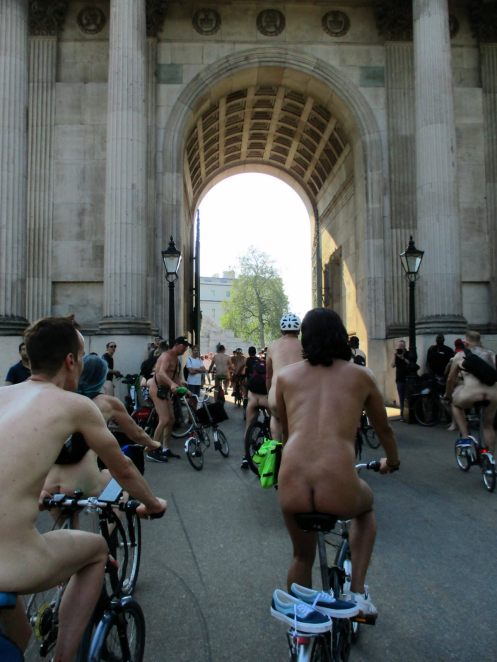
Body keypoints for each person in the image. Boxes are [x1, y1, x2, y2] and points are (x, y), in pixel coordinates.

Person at [0, 317, 166, 660]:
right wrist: (152, 503)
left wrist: (33, 491)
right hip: (10, 559)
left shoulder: (3, 395)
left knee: (22, 635)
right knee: (97, 551)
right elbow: (122, 467)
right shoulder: (76, 405)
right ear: (70, 361)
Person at [274, 308, 400, 616]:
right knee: (365, 509)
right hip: (337, 481)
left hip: (291, 479)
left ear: (305, 338)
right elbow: (383, 428)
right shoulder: (361, 376)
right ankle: (357, 593)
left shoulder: (285, 377)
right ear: (341, 336)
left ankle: (301, 627)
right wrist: (392, 460)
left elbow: (286, 429)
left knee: (301, 557)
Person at [43, 354, 161, 497]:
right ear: (101, 378)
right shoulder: (108, 403)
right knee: (122, 479)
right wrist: (153, 443)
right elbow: (136, 434)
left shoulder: (60, 398)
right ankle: (123, 511)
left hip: (47, 483)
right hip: (83, 483)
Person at [445, 330, 497, 456]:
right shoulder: (491, 354)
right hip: (493, 394)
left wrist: (448, 394)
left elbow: (450, 379)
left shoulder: (460, 355)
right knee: (488, 426)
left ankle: (465, 437)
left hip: (471, 393)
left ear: (466, 342)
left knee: (455, 404)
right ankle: (490, 459)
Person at [146, 336, 191, 463]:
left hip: (165, 391)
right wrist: (171, 384)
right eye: (184, 346)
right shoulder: (166, 356)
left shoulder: (176, 358)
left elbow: (175, 376)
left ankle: (165, 448)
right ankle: (151, 450)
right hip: (157, 389)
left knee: (171, 420)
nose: (185, 349)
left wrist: (184, 389)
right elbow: (161, 373)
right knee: (164, 419)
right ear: (177, 345)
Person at [266, 313, 303, 441]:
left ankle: (275, 447)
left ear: (282, 330)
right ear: (298, 330)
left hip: (276, 395)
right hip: (298, 398)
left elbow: (268, 376)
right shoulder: (305, 346)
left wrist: (268, 393)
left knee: (275, 418)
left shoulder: (272, 347)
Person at [241, 346, 268, 469]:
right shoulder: (271, 366)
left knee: (248, 427)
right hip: (266, 399)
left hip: (252, 399)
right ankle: (276, 456)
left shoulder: (254, 364)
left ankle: (245, 457)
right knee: (276, 423)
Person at [391, 339, 410, 421]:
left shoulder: (408, 353)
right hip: (399, 379)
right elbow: (392, 365)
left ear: (405, 346)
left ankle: (408, 415)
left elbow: (410, 363)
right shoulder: (396, 354)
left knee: (407, 397)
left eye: (402, 345)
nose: (400, 347)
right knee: (401, 398)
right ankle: (402, 415)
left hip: (407, 378)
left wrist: (403, 357)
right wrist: (395, 355)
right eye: (399, 346)